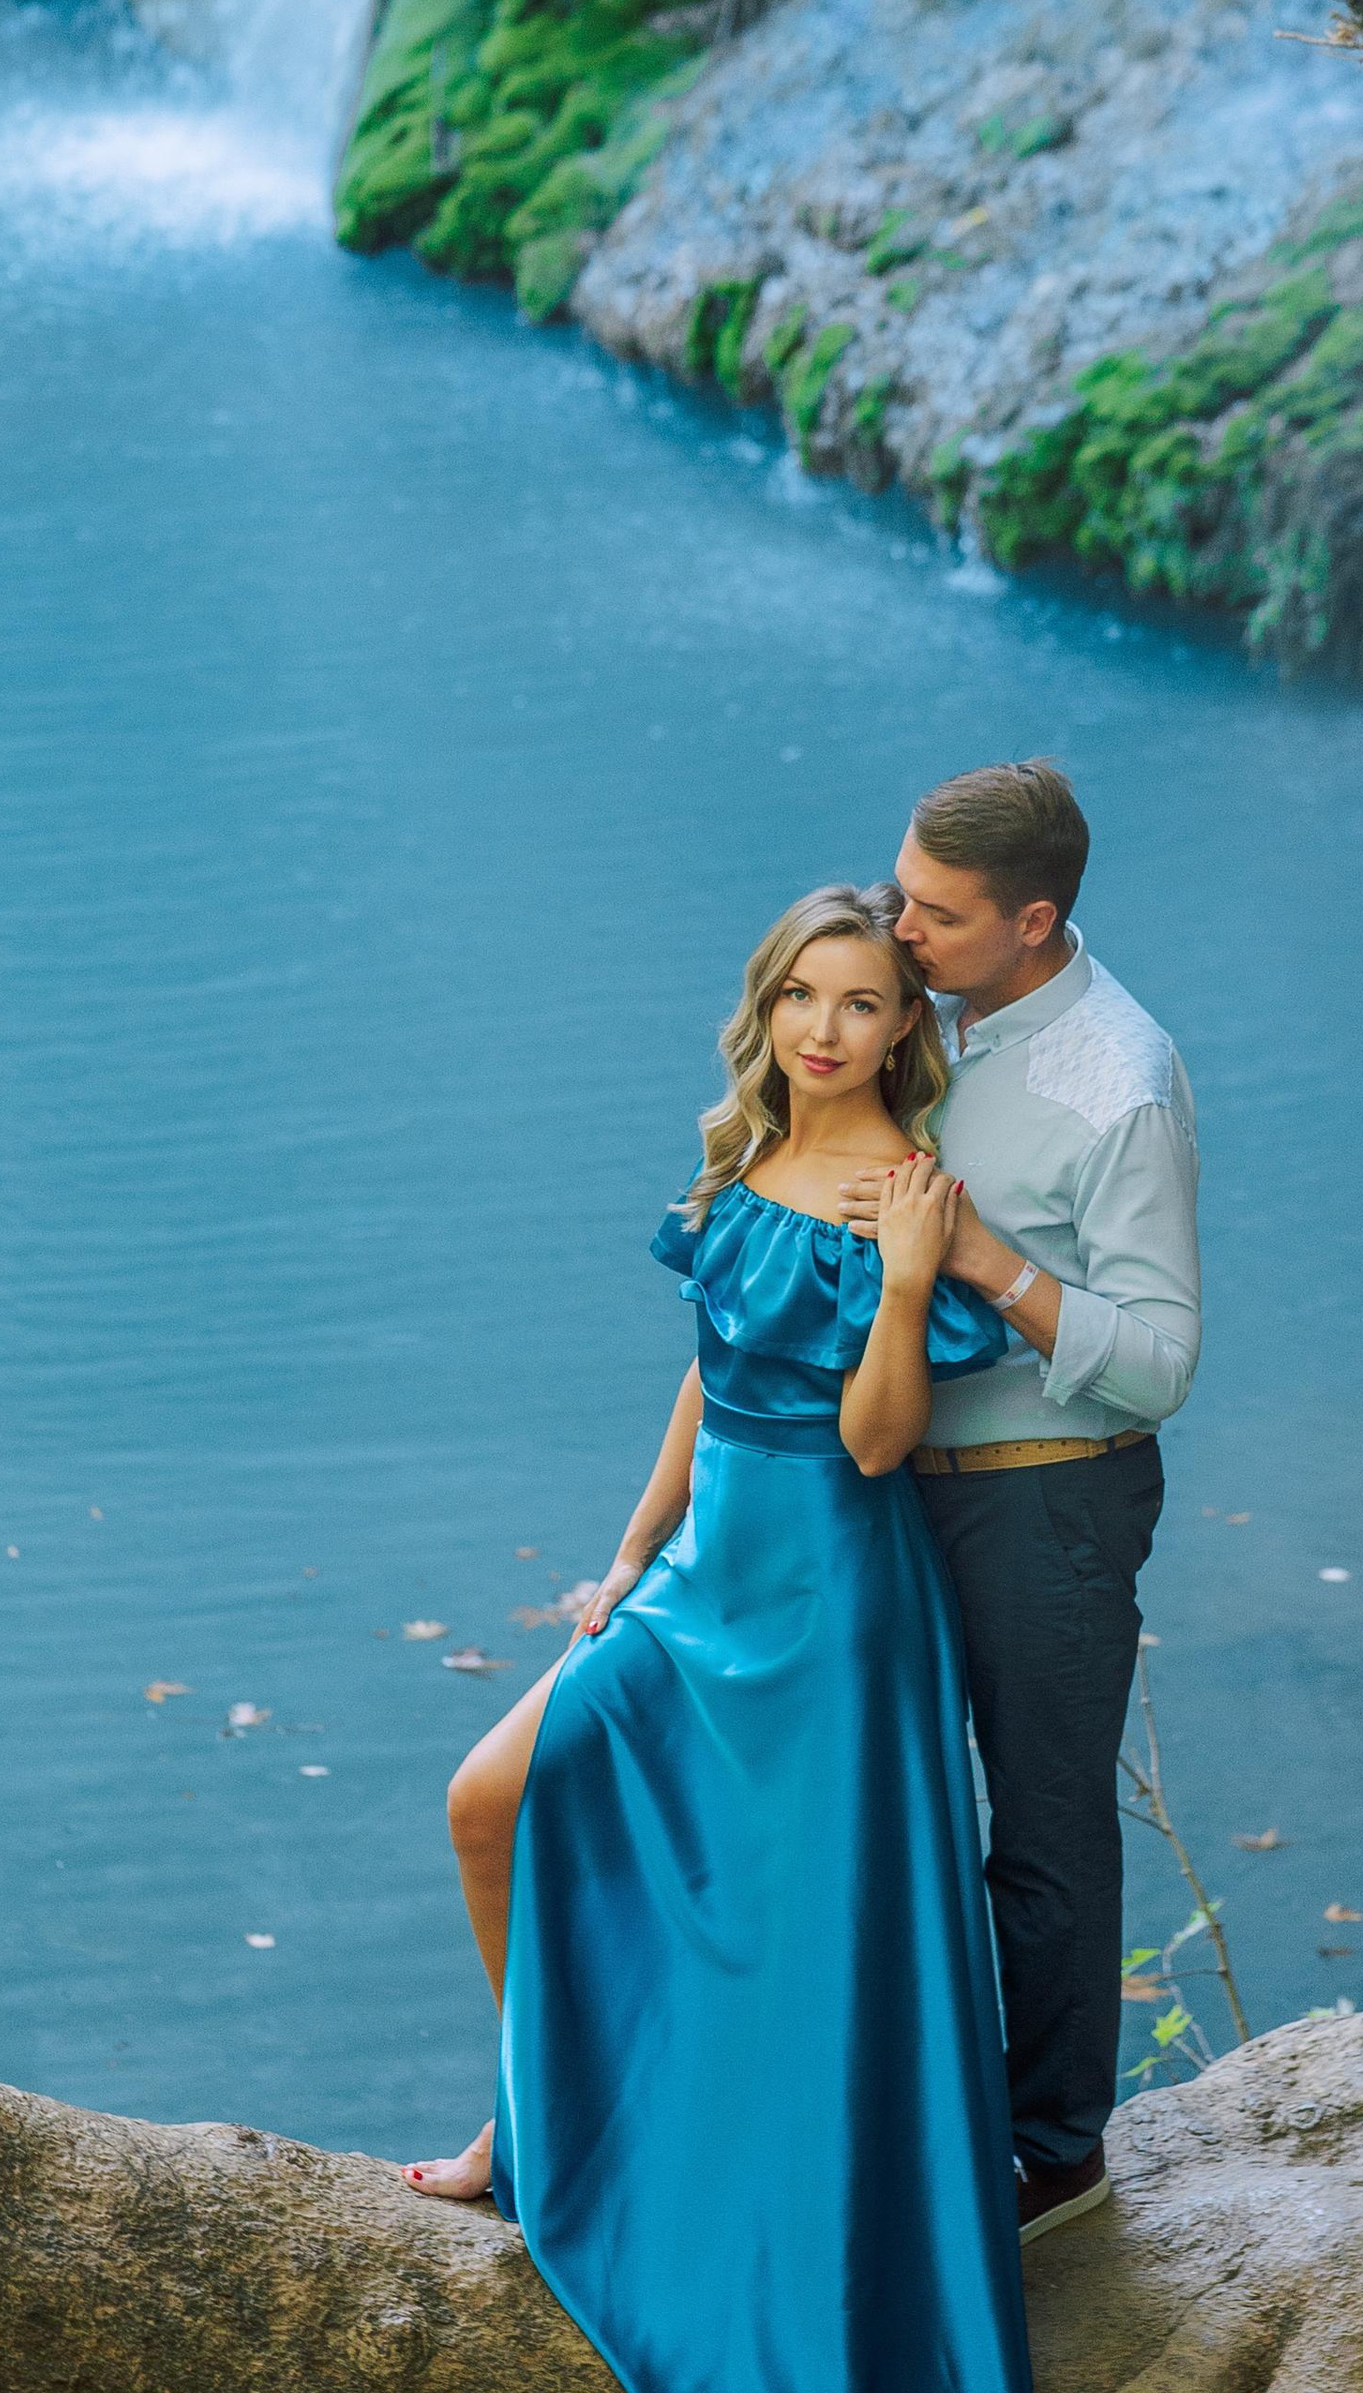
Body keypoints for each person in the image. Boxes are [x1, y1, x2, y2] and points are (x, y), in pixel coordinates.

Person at [404, 882, 1035, 2393]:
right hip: (703, 1573)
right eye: (802, 998)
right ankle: (539, 2112)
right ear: (766, 1008)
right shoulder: (752, 1157)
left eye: (864, 1004)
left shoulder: (906, 1189)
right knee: (489, 1802)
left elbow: (880, 1445)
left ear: (904, 1029)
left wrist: (900, 1288)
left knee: (805, 1947)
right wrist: (630, 1553)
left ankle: (767, 2247)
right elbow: (712, 1375)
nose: (827, 1031)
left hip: (834, 1610)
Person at [839, 759, 1199, 2245]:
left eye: (931, 913)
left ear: (1033, 919)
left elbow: (1163, 1363)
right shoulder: (932, 1023)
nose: (896, 928)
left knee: (1041, 1836)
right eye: (900, 894)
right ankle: (903, 2123)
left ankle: (1053, 2159)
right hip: (883, 1494)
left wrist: (987, 1260)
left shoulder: (1123, 1082)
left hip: (1051, 1504)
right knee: (880, 1816)